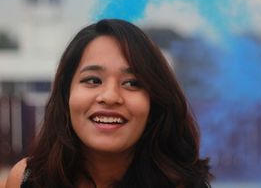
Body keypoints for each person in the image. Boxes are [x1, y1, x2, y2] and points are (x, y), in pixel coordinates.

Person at [6, 19, 212, 188]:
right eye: (93, 80)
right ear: (66, 94)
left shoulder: (183, 185)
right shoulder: (27, 179)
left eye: (132, 83)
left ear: (154, 103)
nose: (110, 96)